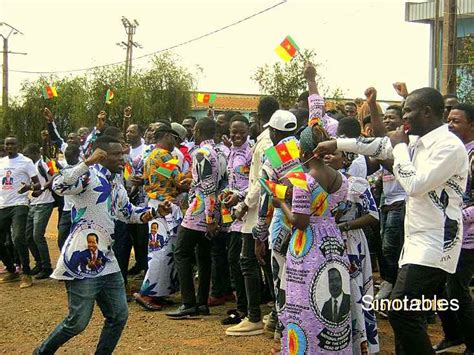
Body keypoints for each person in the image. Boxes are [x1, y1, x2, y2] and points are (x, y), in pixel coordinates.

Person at [315, 87, 469, 354]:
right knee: (409, 313)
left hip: (437, 244)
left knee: (401, 311)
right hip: (417, 242)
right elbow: (378, 144)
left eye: (408, 110)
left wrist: (399, 148)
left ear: (427, 112)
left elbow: (415, 184)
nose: (404, 116)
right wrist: (337, 143)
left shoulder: (449, 146)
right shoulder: (418, 139)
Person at [35, 135, 163, 355]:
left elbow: (128, 213)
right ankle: (42, 352)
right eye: (115, 154)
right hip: (82, 260)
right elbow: (58, 184)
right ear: (100, 156)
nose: (122, 158)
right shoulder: (87, 177)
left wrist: (155, 212)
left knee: (118, 315)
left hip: (107, 260)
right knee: (77, 322)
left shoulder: (117, 182)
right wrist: (86, 163)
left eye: (122, 154)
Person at [274, 125, 351, 354]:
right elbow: (336, 209)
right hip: (333, 242)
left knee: (303, 300)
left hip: (306, 247)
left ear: (305, 152)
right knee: (326, 294)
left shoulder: (304, 181)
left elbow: (300, 222)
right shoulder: (340, 179)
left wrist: (281, 204)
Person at [325, 147, 380, 353]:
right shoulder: (314, 184)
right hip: (325, 244)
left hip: (352, 243)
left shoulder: (357, 183)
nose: (328, 157)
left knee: (356, 291)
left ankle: (361, 344)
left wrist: (344, 226)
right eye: (323, 155)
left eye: (333, 153)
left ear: (346, 157)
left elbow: (373, 216)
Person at [231, 96, 279, 334]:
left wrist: (243, 204)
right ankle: (274, 315)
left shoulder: (265, 143)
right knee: (267, 263)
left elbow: (263, 181)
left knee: (249, 262)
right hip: (266, 210)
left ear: (259, 117)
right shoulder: (270, 141)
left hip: (259, 211)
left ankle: (254, 317)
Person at [166, 117, 220, 319]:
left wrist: (208, 217)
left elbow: (207, 187)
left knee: (181, 252)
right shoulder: (217, 152)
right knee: (203, 256)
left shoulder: (202, 154)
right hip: (208, 211)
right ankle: (202, 303)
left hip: (199, 212)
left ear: (197, 131)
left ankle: (188, 303)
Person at [434, 103, 474, 354]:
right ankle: (453, 334)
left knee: (457, 289)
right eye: (448, 120)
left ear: (471, 124)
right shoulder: (453, 151)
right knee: (440, 288)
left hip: (467, 236)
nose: (449, 125)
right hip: (446, 233)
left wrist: (458, 216)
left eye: (456, 121)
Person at [133, 125, 187, 311]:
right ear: (166, 136)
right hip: (164, 206)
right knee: (162, 251)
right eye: (175, 138)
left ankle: (159, 292)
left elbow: (160, 179)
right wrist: (193, 176)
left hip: (156, 204)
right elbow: (178, 181)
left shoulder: (153, 155)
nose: (177, 142)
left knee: (162, 249)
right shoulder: (165, 156)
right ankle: (147, 293)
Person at [219, 115, 252, 325]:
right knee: (234, 260)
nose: (237, 135)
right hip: (233, 216)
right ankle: (242, 305)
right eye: (234, 131)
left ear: (248, 131)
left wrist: (239, 196)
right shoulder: (231, 152)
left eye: (241, 131)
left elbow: (258, 182)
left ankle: (247, 308)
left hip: (248, 213)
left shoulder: (252, 152)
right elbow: (232, 180)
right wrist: (227, 193)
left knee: (243, 261)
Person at [0, 136, 41, 288]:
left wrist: (29, 187)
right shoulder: (1, 162)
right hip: (2, 205)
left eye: (13, 144)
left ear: (18, 145)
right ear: (4, 146)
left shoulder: (26, 162)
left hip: (20, 204)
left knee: (18, 237)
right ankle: (12, 270)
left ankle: (26, 273)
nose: (10, 146)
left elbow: (37, 184)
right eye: (7, 144)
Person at [22, 143, 56, 280]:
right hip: (33, 203)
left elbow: (55, 177)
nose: (26, 158)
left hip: (45, 203)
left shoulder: (43, 164)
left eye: (28, 155)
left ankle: (47, 267)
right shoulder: (30, 168)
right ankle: (39, 263)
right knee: (28, 236)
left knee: (37, 236)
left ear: (35, 153)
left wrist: (42, 188)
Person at [124, 115, 149, 276]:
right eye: (127, 131)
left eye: (132, 131)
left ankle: (146, 265)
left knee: (142, 236)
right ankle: (139, 263)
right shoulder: (126, 150)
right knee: (132, 236)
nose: (128, 134)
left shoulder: (146, 150)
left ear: (140, 134)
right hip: (127, 197)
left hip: (142, 198)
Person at [57, 143, 81, 250]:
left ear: (77, 155)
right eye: (66, 157)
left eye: (70, 157)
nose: (67, 159)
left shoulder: (84, 168)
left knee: (78, 240)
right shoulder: (64, 167)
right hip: (66, 210)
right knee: (61, 239)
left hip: (80, 210)